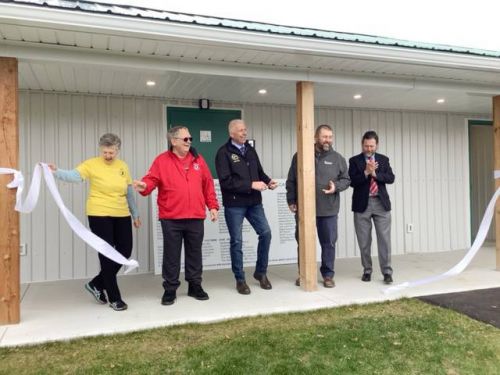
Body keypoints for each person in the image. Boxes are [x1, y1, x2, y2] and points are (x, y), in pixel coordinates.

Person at [49, 133, 141, 311]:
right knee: (106, 253)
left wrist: (135, 214)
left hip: (121, 212)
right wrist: (56, 171)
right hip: (99, 213)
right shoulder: (91, 164)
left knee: (124, 250)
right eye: (105, 152)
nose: (108, 155)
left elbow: (129, 192)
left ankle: (97, 283)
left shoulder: (123, 166)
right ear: (101, 149)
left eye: (111, 152)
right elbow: (74, 176)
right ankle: (114, 298)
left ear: (117, 150)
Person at [134, 126, 218, 306]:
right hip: (171, 217)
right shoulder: (161, 161)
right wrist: (144, 187)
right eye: (185, 139)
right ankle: (170, 289)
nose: (189, 142)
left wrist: (213, 206)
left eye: (190, 138)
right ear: (173, 141)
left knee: (195, 253)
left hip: (195, 216)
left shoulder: (199, 160)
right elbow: (151, 180)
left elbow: (208, 184)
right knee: (171, 255)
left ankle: (195, 286)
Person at [215, 119, 277, 295]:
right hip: (235, 204)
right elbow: (226, 182)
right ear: (231, 133)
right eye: (240, 130)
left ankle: (261, 273)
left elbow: (260, 171)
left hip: (254, 203)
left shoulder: (250, 150)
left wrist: (267, 181)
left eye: (245, 130)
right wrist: (251, 184)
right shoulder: (223, 153)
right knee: (237, 241)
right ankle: (240, 280)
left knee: (266, 233)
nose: (244, 133)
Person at [286, 124, 350, 288]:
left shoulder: (337, 158)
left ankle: (328, 275)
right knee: (303, 242)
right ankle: (304, 274)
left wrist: (336, 186)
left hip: (328, 209)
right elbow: (291, 180)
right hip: (305, 209)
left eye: (330, 136)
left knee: (328, 243)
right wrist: (291, 200)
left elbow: (346, 180)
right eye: (324, 136)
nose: (328, 140)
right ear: (316, 137)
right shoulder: (300, 155)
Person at [348, 130, 395, 284]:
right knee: (364, 241)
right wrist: (366, 173)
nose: (369, 149)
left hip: (381, 204)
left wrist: (375, 174)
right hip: (362, 204)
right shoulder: (354, 161)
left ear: (377, 145)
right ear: (362, 144)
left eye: (372, 146)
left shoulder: (384, 159)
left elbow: (391, 178)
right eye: (366, 146)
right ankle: (367, 270)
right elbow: (352, 182)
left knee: (384, 240)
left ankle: (387, 272)